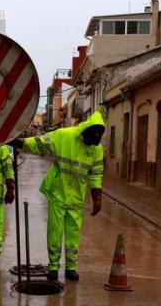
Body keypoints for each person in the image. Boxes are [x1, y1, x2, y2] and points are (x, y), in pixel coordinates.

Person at [11, 110, 105, 281]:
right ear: (86, 132)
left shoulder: (96, 148)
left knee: (73, 234)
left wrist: (97, 199)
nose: (92, 145)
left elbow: (96, 174)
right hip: (58, 193)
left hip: (77, 197)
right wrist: (19, 143)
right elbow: (40, 143)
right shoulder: (63, 135)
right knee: (55, 232)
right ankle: (53, 267)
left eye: (95, 143)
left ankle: (71, 267)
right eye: (91, 141)